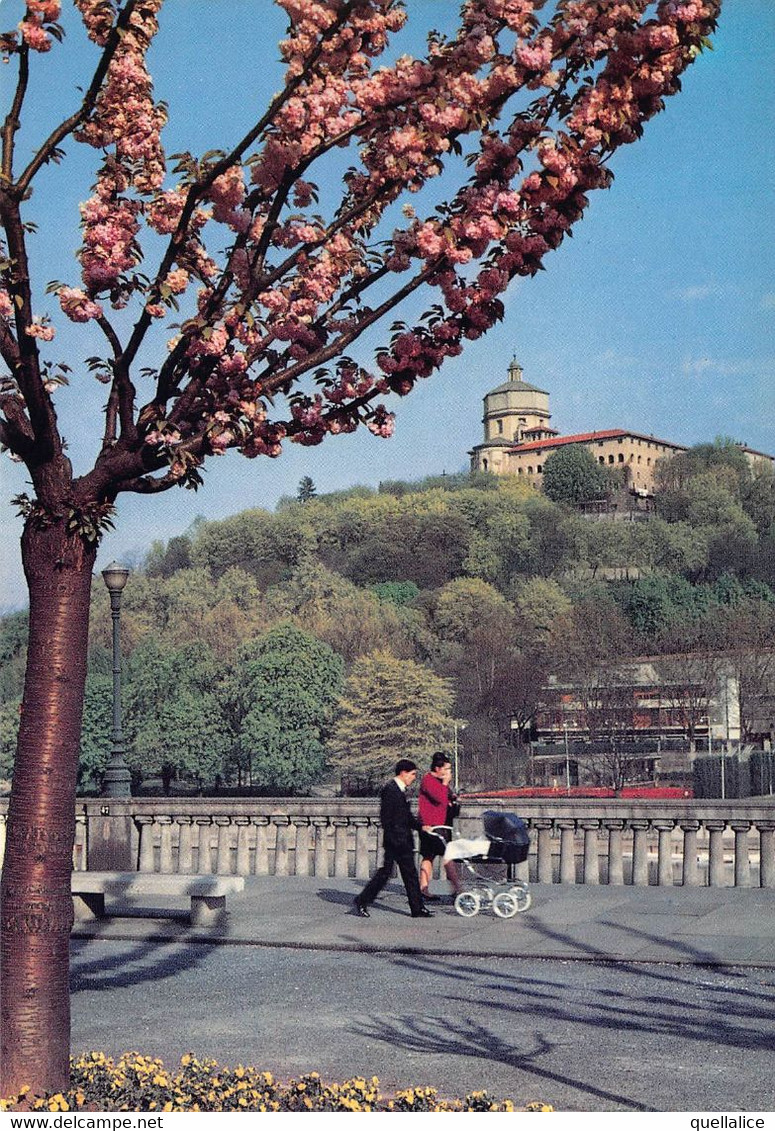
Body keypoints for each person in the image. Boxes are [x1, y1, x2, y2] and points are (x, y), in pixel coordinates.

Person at [353, 759, 432, 919]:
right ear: (403, 773)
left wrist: (420, 827)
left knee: (405, 873)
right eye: (412, 774)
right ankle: (362, 900)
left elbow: (407, 816)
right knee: (390, 873)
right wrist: (397, 838)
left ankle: (417, 908)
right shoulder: (391, 790)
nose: (413, 778)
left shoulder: (399, 790)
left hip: (401, 840)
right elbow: (387, 818)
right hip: (396, 841)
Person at [418, 752, 461, 900]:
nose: (449, 772)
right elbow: (440, 798)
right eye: (447, 769)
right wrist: (445, 784)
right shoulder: (428, 781)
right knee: (444, 856)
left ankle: (423, 888)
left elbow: (447, 800)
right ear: (438, 768)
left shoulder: (438, 781)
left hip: (440, 824)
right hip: (433, 826)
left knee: (430, 856)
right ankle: (458, 888)